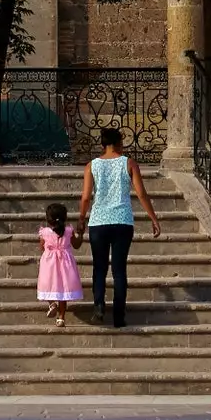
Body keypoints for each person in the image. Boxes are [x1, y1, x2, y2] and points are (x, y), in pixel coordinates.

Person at [76, 126, 160, 330]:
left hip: (98, 222)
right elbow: (141, 194)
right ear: (120, 143)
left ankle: (98, 307)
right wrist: (154, 218)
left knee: (99, 267)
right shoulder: (129, 163)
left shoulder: (91, 166)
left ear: (103, 144)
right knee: (119, 270)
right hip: (122, 221)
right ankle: (119, 316)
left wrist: (81, 218)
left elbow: (86, 196)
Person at [37, 200, 82, 330]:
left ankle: (52, 304)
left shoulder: (44, 232)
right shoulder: (69, 231)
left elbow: (41, 247)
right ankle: (61, 317)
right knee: (63, 290)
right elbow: (76, 244)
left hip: (49, 264)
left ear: (48, 219)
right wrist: (81, 234)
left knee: (47, 284)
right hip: (65, 265)